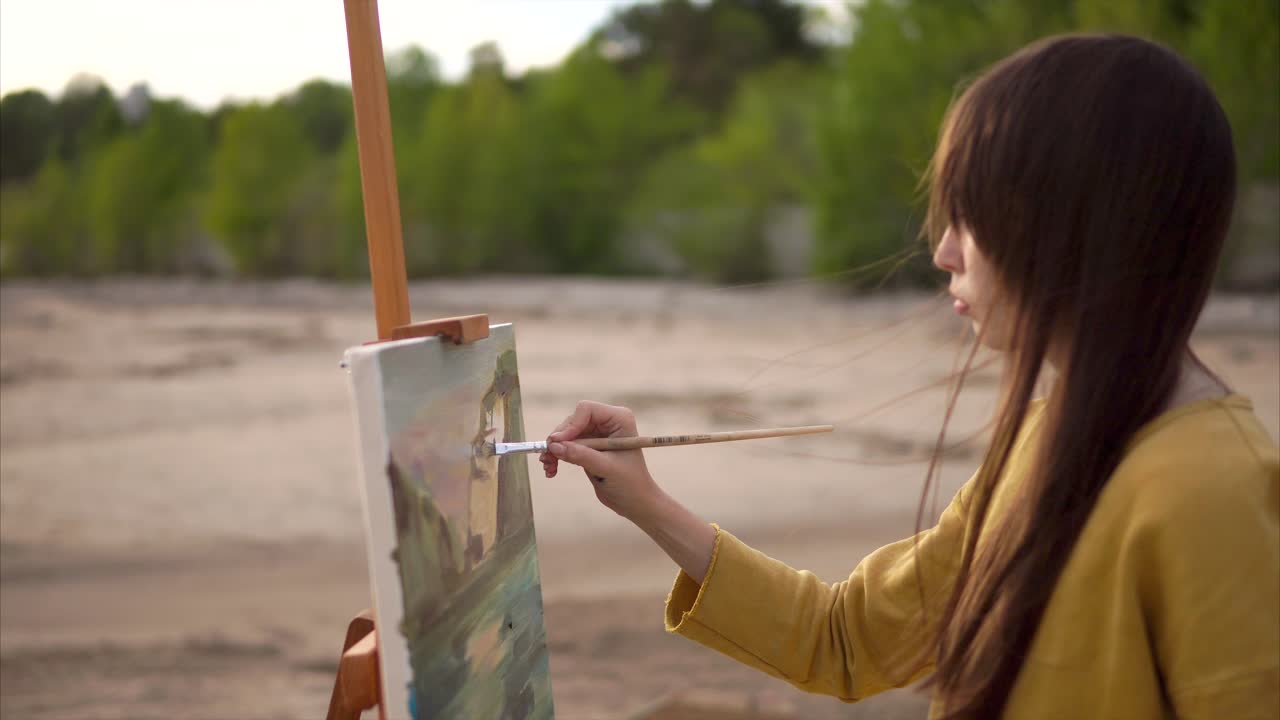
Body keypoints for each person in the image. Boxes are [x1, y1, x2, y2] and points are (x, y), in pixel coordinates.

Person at [539, 34, 1279, 719]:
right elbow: (846, 640)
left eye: (971, 215)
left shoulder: (1208, 489)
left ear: (1074, 225)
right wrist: (646, 503)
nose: (945, 253)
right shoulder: (1042, 439)